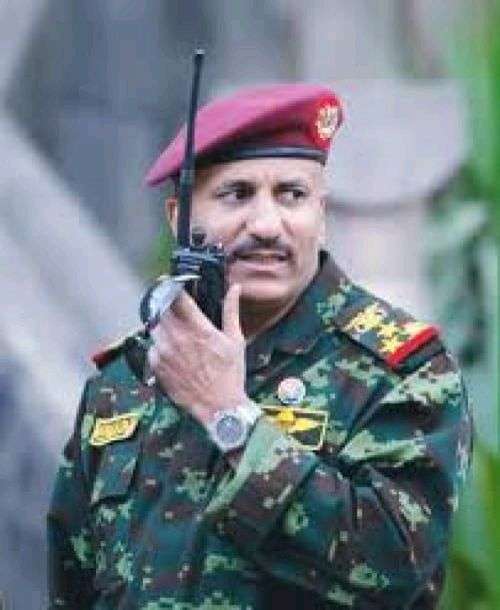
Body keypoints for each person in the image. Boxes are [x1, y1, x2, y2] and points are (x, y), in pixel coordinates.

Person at [47, 84, 473, 610]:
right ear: (179, 218)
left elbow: (395, 567)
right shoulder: (125, 379)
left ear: (321, 214)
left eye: (292, 195)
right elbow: (72, 584)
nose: (268, 225)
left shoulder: (401, 372)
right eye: (237, 194)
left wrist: (227, 415)